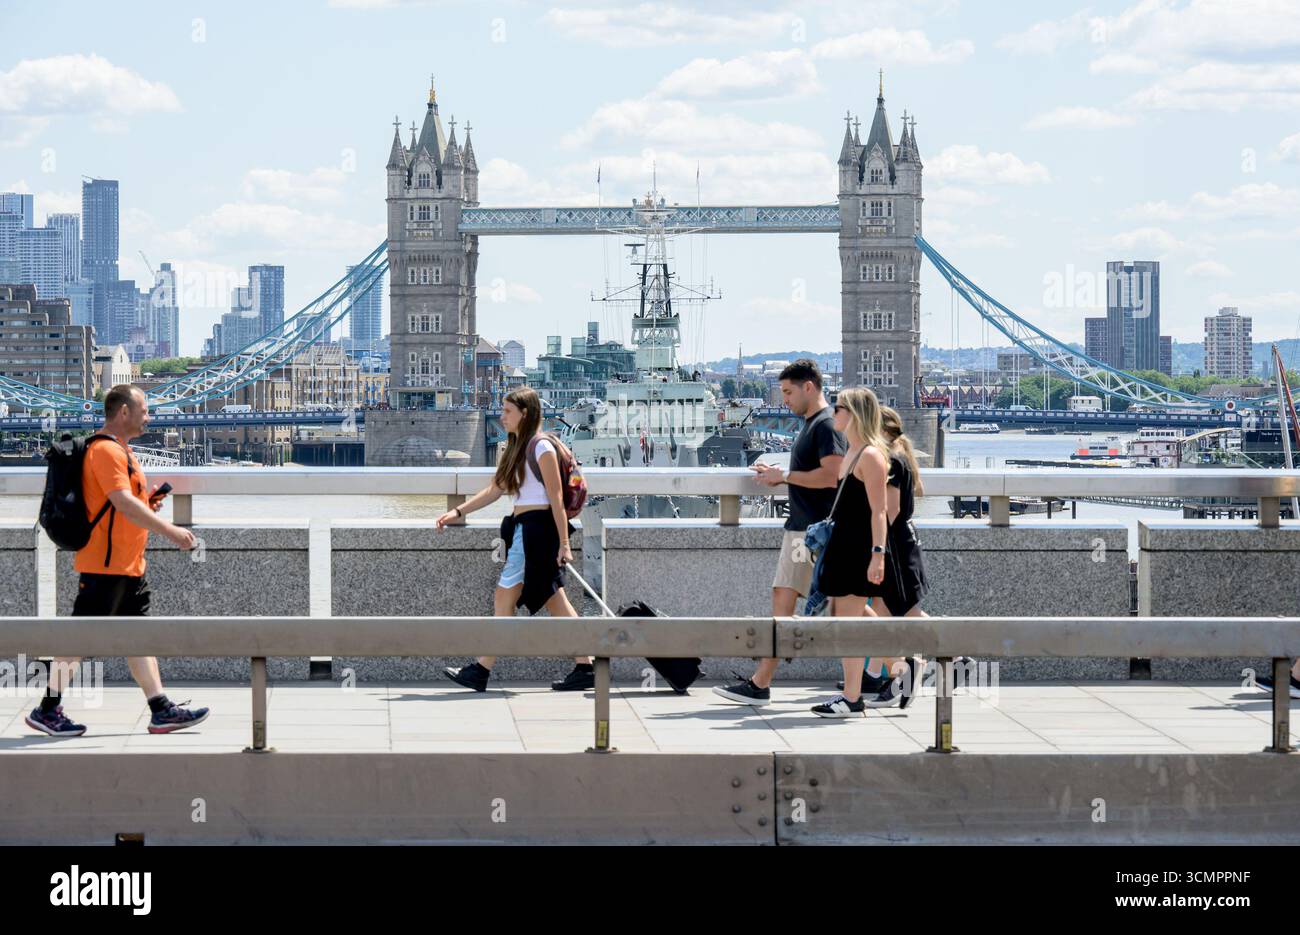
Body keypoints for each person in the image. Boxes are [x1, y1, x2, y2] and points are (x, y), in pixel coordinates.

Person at [26, 385, 208, 737]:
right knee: (78, 640)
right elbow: (122, 503)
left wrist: (148, 505)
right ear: (123, 412)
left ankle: (161, 709)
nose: (149, 416)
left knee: (138, 637)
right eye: (144, 409)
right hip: (104, 565)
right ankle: (46, 710)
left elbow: (125, 504)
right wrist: (171, 531)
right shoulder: (107, 450)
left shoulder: (123, 451)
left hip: (128, 564)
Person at [435, 386, 594, 693]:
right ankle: (585, 666)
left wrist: (564, 543)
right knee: (554, 600)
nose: (502, 416)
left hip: (537, 531)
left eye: (508, 411)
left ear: (525, 413)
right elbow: (495, 490)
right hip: (526, 528)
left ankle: (480, 670)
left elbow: (556, 498)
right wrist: (458, 510)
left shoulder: (541, 448)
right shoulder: (518, 448)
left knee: (504, 596)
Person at [713, 359, 845, 706]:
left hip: (810, 532)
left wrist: (783, 477)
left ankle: (761, 683)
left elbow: (831, 476)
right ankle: (897, 662)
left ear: (809, 387)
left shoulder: (825, 425)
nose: (783, 399)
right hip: (806, 529)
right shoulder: (814, 424)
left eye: (788, 392)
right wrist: (780, 473)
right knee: (835, 604)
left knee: (798, 602)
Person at [808, 386, 894, 718]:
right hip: (842, 547)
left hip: (858, 550)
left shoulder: (870, 456)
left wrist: (877, 554)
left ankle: (852, 696)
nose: (834, 412)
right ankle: (900, 662)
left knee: (848, 624)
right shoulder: (852, 453)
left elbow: (879, 511)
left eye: (840, 407)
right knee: (850, 618)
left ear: (855, 413)